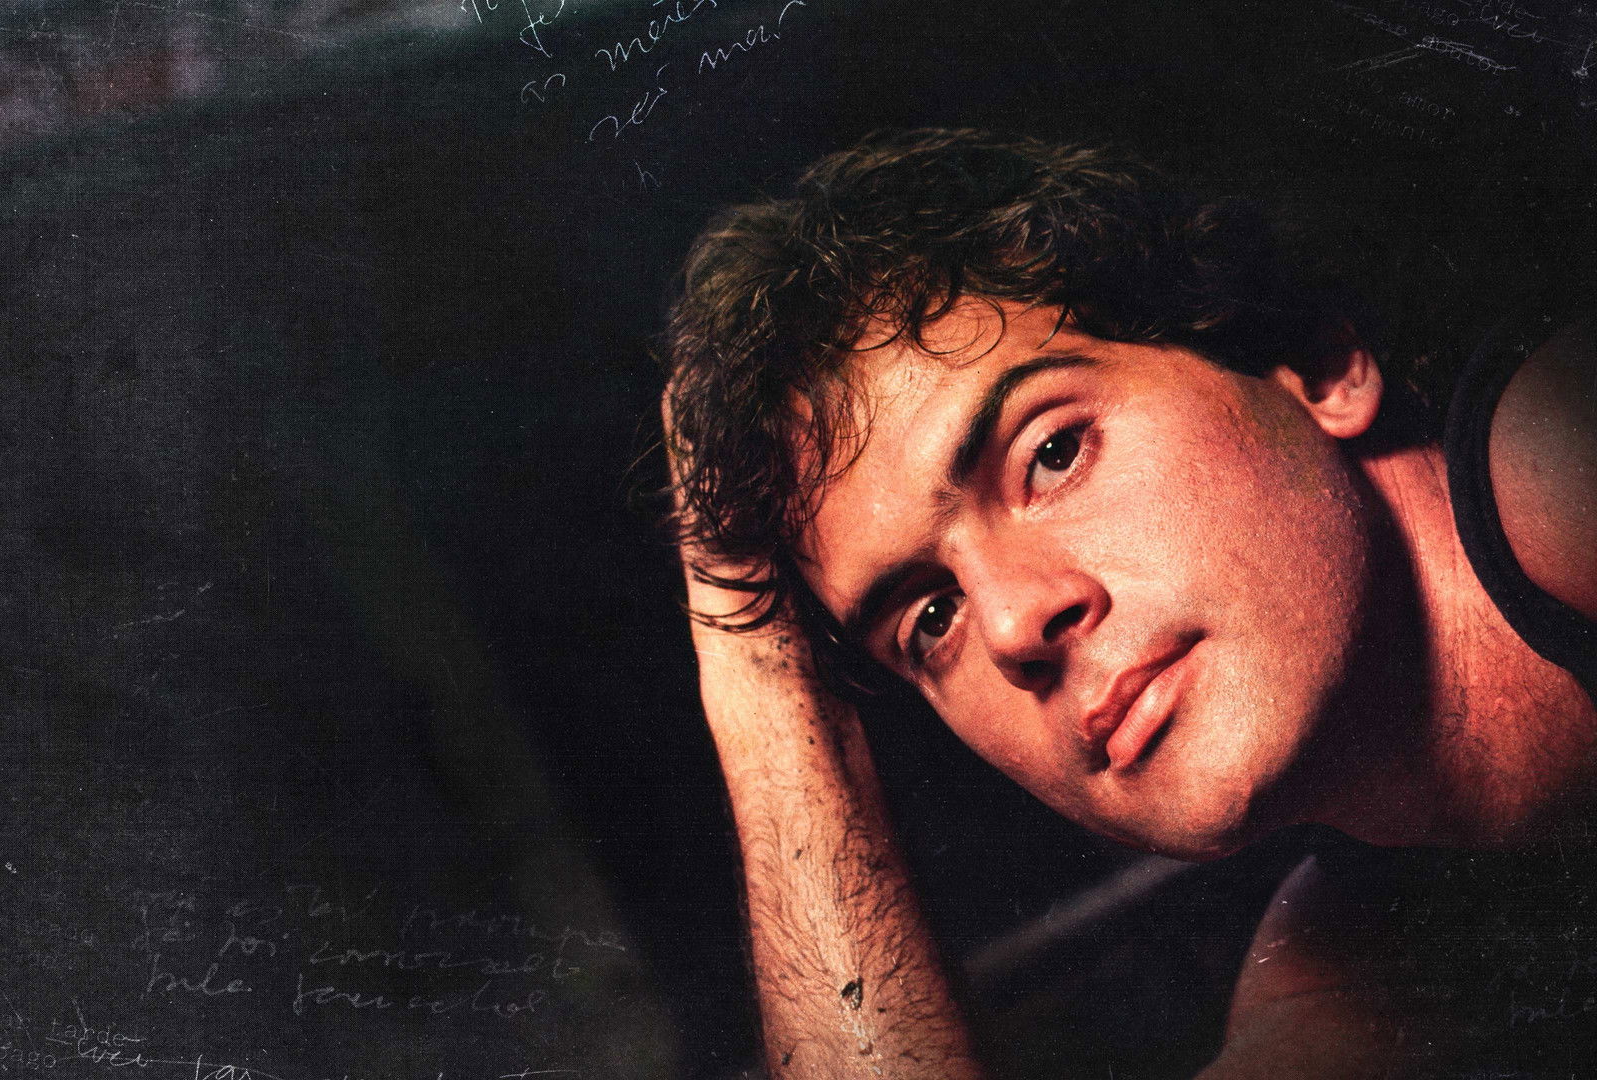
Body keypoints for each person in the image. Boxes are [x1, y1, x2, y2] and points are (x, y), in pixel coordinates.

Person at [661, 128, 1597, 1078]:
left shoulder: (1566, 468)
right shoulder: (1360, 953)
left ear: (1314, 365)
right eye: (931, 618)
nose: (1012, 627)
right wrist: (761, 678)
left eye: (1053, 454)